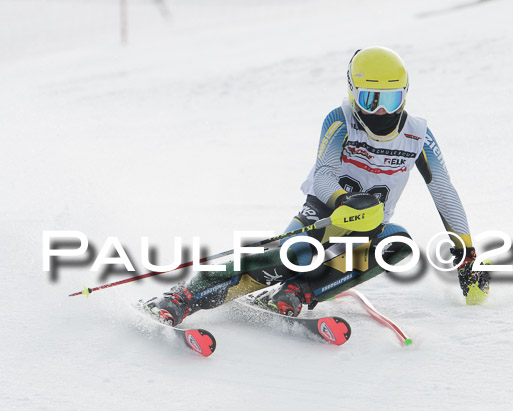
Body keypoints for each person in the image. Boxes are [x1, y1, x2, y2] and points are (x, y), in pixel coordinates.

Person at [143, 46, 490, 326]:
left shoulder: (419, 136)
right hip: (325, 213)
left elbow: (444, 192)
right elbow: (324, 174)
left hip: (368, 226)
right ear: (354, 94)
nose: (382, 112)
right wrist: (343, 202)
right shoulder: (340, 121)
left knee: (398, 245)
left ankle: (298, 293)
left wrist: (467, 252)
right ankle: (182, 298)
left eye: (392, 99)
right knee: (288, 259)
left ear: (406, 95)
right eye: (371, 100)